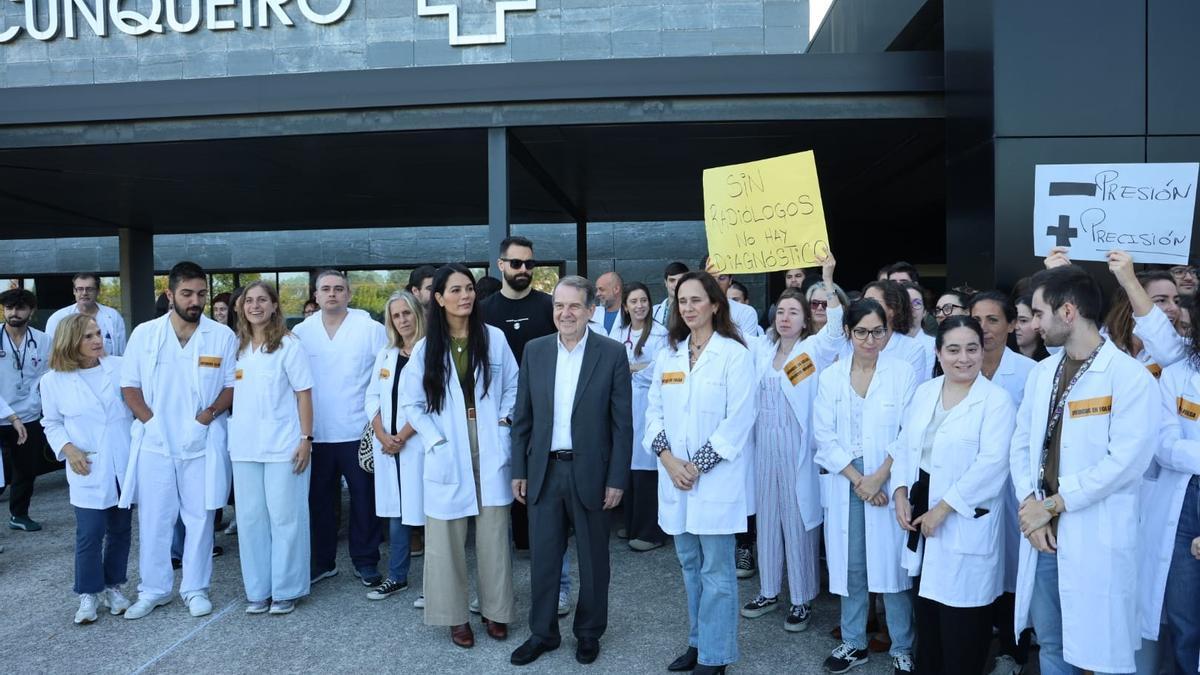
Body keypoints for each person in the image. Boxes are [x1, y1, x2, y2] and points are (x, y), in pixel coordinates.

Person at [1009, 264, 1158, 675]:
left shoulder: (1128, 377)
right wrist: (1030, 508)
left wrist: (1054, 503)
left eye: (1039, 314)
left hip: (1093, 531)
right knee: (1053, 643)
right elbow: (1022, 444)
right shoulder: (1042, 374)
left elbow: (1126, 463)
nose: (1034, 324)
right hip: (1042, 533)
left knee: (1098, 652)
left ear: (1068, 312)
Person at [509, 276, 633, 666]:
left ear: (590, 311)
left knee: (595, 560)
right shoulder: (535, 350)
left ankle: (589, 632)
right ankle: (543, 633)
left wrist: (616, 479)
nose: (566, 313)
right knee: (543, 558)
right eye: (559, 306)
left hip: (592, 474)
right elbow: (522, 417)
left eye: (574, 306)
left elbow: (622, 425)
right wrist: (519, 469)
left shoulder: (611, 353)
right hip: (545, 471)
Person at [401, 264, 518, 648]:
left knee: (494, 533)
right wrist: (435, 441)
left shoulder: (494, 338)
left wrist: (503, 423)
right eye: (455, 290)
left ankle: (495, 611)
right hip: (447, 443)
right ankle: (454, 617)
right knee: (445, 537)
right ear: (438, 299)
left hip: (489, 439)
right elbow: (413, 404)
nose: (465, 295)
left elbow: (513, 386)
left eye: (469, 288)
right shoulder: (425, 348)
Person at [892, 316, 1015, 675]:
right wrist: (900, 491)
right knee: (927, 620)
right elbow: (905, 445)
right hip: (920, 513)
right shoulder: (925, 391)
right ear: (938, 352)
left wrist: (943, 509)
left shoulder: (996, 401)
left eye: (972, 349)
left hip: (961, 518)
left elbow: (992, 465)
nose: (964, 358)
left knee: (963, 627)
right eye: (954, 349)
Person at [646, 271, 755, 675]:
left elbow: (739, 421)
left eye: (696, 300)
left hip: (714, 481)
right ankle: (697, 641)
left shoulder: (734, 355)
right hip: (676, 479)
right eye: (682, 301)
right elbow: (653, 413)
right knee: (690, 566)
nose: (688, 308)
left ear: (715, 305)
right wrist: (670, 460)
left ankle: (716, 654)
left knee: (719, 572)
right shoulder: (668, 355)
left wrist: (696, 465)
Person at [119, 261, 237, 620]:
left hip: (200, 442)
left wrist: (205, 418)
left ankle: (195, 588)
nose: (195, 300)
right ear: (170, 294)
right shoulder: (145, 334)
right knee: (155, 518)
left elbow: (232, 386)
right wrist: (150, 422)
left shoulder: (221, 336)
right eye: (187, 293)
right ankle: (154, 590)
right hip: (155, 442)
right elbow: (129, 385)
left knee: (200, 518)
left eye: (201, 293)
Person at [814, 298, 917, 675]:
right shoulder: (831, 375)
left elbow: (910, 430)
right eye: (861, 332)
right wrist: (860, 481)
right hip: (848, 481)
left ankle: (903, 646)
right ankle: (854, 642)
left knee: (892, 570)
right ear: (847, 332)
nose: (870, 340)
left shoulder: (903, 372)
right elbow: (823, 436)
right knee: (851, 565)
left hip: (888, 478)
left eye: (878, 331)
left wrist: (879, 477)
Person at [480, 236, 570, 611]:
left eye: (529, 264)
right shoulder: (482, 311)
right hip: (496, 423)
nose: (523, 270)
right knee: (494, 513)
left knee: (548, 512)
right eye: (516, 263)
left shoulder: (550, 307)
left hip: (545, 423)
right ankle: (493, 592)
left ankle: (559, 587)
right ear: (500, 265)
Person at [292, 270, 387, 587]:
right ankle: (322, 561)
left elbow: (383, 375)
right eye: (325, 289)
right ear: (315, 296)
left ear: (349, 294)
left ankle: (366, 560)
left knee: (364, 500)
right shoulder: (301, 333)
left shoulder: (370, 329)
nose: (332, 294)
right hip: (317, 432)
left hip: (358, 430)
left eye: (338, 289)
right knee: (318, 501)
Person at [740, 287, 826, 634]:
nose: (785, 318)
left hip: (796, 448)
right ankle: (768, 591)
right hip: (764, 446)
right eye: (780, 312)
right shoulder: (763, 348)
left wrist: (828, 279)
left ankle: (802, 598)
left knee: (797, 521)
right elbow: (729, 330)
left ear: (806, 319)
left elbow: (835, 329)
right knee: (768, 519)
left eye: (793, 312)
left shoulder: (813, 349)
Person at [39, 314, 134, 624]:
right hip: (88, 464)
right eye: (88, 336)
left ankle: (113, 586)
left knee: (120, 531)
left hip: (123, 460)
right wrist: (68, 449)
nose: (98, 341)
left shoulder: (120, 367)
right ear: (71, 343)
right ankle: (88, 594)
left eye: (99, 333)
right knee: (90, 533)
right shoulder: (53, 381)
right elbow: (51, 423)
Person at [228, 281, 315, 616]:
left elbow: (304, 394)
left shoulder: (290, 345)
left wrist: (306, 439)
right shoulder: (236, 347)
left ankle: (285, 589)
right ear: (241, 307)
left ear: (275, 305)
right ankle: (258, 590)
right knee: (250, 520)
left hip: (284, 446)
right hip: (245, 447)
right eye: (249, 300)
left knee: (285, 518)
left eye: (262, 300)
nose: (255, 306)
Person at [967, 291, 1038, 675]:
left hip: (1014, 489)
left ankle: (1012, 652)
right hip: (971, 489)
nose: (984, 328)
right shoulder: (959, 367)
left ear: (1012, 324)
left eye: (994, 320)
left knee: (1013, 570)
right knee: (978, 568)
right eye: (977, 319)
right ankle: (975, 646)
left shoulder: (1030, 373)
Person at [1144, 298, 1200, 675]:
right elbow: (1163, 446)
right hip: (1184, 503)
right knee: (1185, 621)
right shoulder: (1178, 374)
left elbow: (1179, 446)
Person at [364, 291, 425, 602]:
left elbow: (431, 401)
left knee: (428, 514)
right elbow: (372, 397)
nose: (402, 320)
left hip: (417, 445)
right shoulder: (387, 354)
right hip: (388, 446)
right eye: (396, 316)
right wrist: (383, 435)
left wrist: (401, 436)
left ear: (417, 313)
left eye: (406, 313)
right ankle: (397, 576)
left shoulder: (431, 351)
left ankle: (435, 586)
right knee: (396, 513)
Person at [618, 282, 669, 552]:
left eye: (644, 300)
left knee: (648, 469)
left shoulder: (660, 334)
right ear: (625, 306)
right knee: (630, 468)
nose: (639, 306)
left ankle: (651, 532)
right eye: (634, 301)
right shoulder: (621, 332)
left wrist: (634, 368)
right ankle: (633, 524)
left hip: (649, 406)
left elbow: (660, 369)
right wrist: (635, 368)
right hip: (627, 407)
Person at [0, 288, 51, 533]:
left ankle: (19, 515)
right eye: (9, 308)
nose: (14, 313)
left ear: (31, 311)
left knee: (26, 470)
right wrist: (10, 415)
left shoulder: (42, 340)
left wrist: (37, 405)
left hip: (29, 415)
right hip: (1, 415)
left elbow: (49, 376)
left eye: (20, 308)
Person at [1103, 252, 1184, 377]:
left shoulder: (1185, 349)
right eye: (1161, 300)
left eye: (1177, 301)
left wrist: (1130, 280)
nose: (1174, 308)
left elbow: (1168, 354)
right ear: (1131, 302)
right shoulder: (1102, 343)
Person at [45, 273, 127, 357]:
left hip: (108, 369)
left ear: (98, 291)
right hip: (71, 369)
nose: (84, 293)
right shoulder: (58, 318)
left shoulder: (113, 316)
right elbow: (51, 353)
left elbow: (122, 352)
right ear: (74, 291)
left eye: (89, 289)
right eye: (80, 289)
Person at [703, 257, 763, 338]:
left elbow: (747, 347)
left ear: (730, 280)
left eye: (722, 278)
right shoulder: (692, 309)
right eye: (711, 278)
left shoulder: (745, 312)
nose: (716, 283)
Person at [651, 262, 689, 327]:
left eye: (681, 280)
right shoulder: (653, 311)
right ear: (666, 283)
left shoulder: (694, 309)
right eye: (672, 280)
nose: (676, 285)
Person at [1014, 295, 1050, 362]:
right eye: (1014, 320)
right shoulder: (1002, 357)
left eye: (1023, 321)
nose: (1016, 327)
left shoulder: (1051, 360)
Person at [591, 271, 626, 338]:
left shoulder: (631, 314)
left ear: (616, 289)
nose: (597, 294)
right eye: (597, 290)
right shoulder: (592, 313)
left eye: (601, 289)